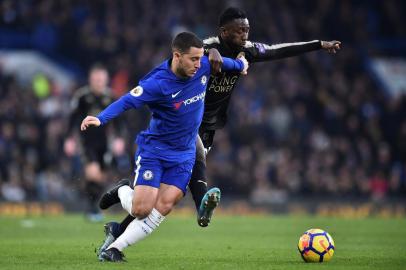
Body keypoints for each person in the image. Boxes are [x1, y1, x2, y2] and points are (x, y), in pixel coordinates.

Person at [97, 6, 341, 243]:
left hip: (210, 124)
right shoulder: (202, 50)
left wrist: (318, 44)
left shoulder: (246, 51)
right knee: (195, 157)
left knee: (162, 197)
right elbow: (172, 66)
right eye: (239, 31)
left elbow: (278, 50)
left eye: (247, 30)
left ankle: (120, 228)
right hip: (182, 120)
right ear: (224, 32)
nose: (245, 36)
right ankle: (202, 201)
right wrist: (208, 52)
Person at [81, 31, 249, 262]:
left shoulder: (204, 66)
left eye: (201, 58)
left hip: (184, 155)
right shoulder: (157, 83)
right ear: (177, 56)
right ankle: (122, 189)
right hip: (155, 152)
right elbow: (128, 100)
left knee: (164, 206)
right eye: (193, 59)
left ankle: (114, 249)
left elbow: (228, 63)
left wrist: (241, 64)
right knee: (141, 209)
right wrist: (100, 118)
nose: (199, 64)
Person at [65, 64, 125, 222]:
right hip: (86, 142)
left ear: (106, 80)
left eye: (101, 79)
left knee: (100, 177)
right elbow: (72, 119)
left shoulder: (110, 97)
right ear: (91, 80)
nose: (99, 82)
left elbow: (119, 121)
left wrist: (119, 138)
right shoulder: (82, 97)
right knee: (93, 171)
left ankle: (92, 207)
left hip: (105, 143)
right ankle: (92, 209)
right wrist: (69, 138)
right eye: (96, 79)